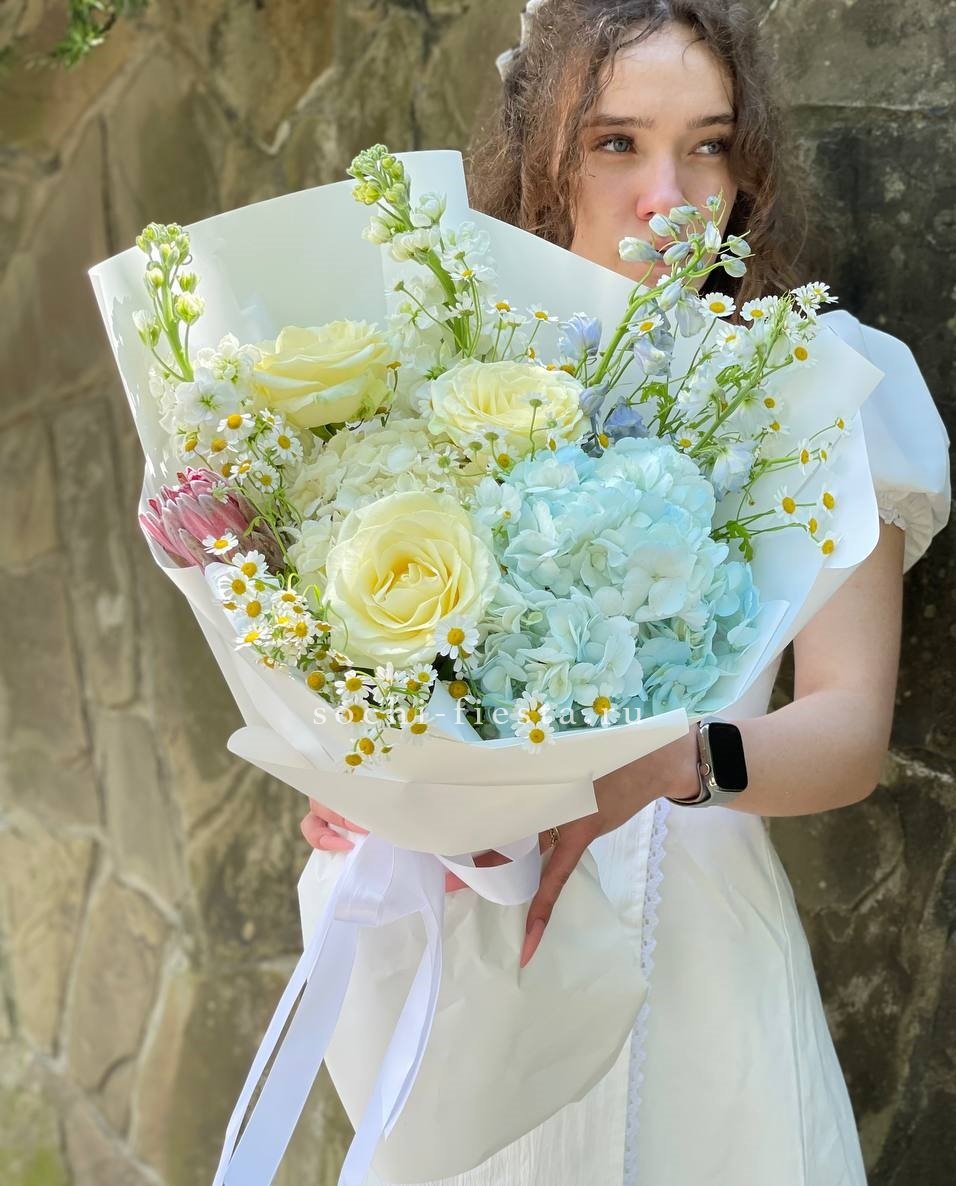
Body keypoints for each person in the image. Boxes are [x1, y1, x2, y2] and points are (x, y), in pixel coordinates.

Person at [301, 2, 951, 1183]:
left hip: (697, 966)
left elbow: (847, 733)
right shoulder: (440, 366)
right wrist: (363, 782)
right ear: (541, 153)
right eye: (616, 143)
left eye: (708, 144)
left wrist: (663, 766)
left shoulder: (822, 384)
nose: (670, 195)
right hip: (478, 948)